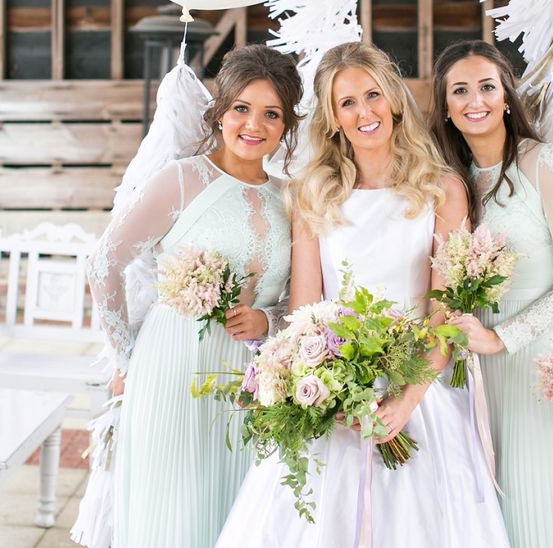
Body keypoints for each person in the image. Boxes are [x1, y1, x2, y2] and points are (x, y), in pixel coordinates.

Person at [217, 41, 508, 547]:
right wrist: (319, 385)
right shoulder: (312, 193)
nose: (363, 112)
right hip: (334, 392)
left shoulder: (443, 189)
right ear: (331, 118)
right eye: (346, 103)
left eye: (372, 95)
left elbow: (447, 316)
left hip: (420, 390)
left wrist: (403, 402)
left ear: (393, 99)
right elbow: (306, 312)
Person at [87, 44, 302, 548]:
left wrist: (268, 320)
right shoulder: (182, 180)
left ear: (287, 124)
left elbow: (302, 294)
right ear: (220, 111)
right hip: (172, 368)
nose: (254, 124)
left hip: (252, 382)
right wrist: (126, 355)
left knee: (237, 516)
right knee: (174, 514)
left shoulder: (290, 196)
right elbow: (103, 264)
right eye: (241, 109)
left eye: (272, 114)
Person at [430, 40, 553, 547]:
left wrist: (503, 337)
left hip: (539, 362)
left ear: (505, 97)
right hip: (470, 371)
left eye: (486, 86)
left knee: (539, 502)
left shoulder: (542, 162)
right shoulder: (448, 180)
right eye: (460, 90)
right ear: (447, 107)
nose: (474, 99)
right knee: (487, 511)